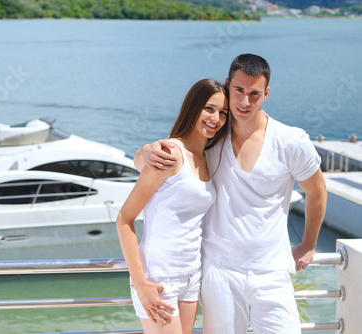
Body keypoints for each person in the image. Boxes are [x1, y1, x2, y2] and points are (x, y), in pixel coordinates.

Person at [134, 54, 327, 333]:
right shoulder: (211, 137)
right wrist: (145, 152)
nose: (244, 102)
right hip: (218, 272)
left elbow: (317, 192)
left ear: (266, 94)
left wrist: (308, 244)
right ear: (227, 85)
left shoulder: (290, 141)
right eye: (238, 91)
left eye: (254, 94)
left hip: (271, 272)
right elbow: (166, 156)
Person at [116, 78, 229, 334]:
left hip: (191, 275)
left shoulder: (206, 156)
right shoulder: (170, 153)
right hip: (159, 277)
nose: (216, 118)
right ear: (193, 107)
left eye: (223, 113)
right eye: (209, 109)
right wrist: (140, 282)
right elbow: (124, 218)